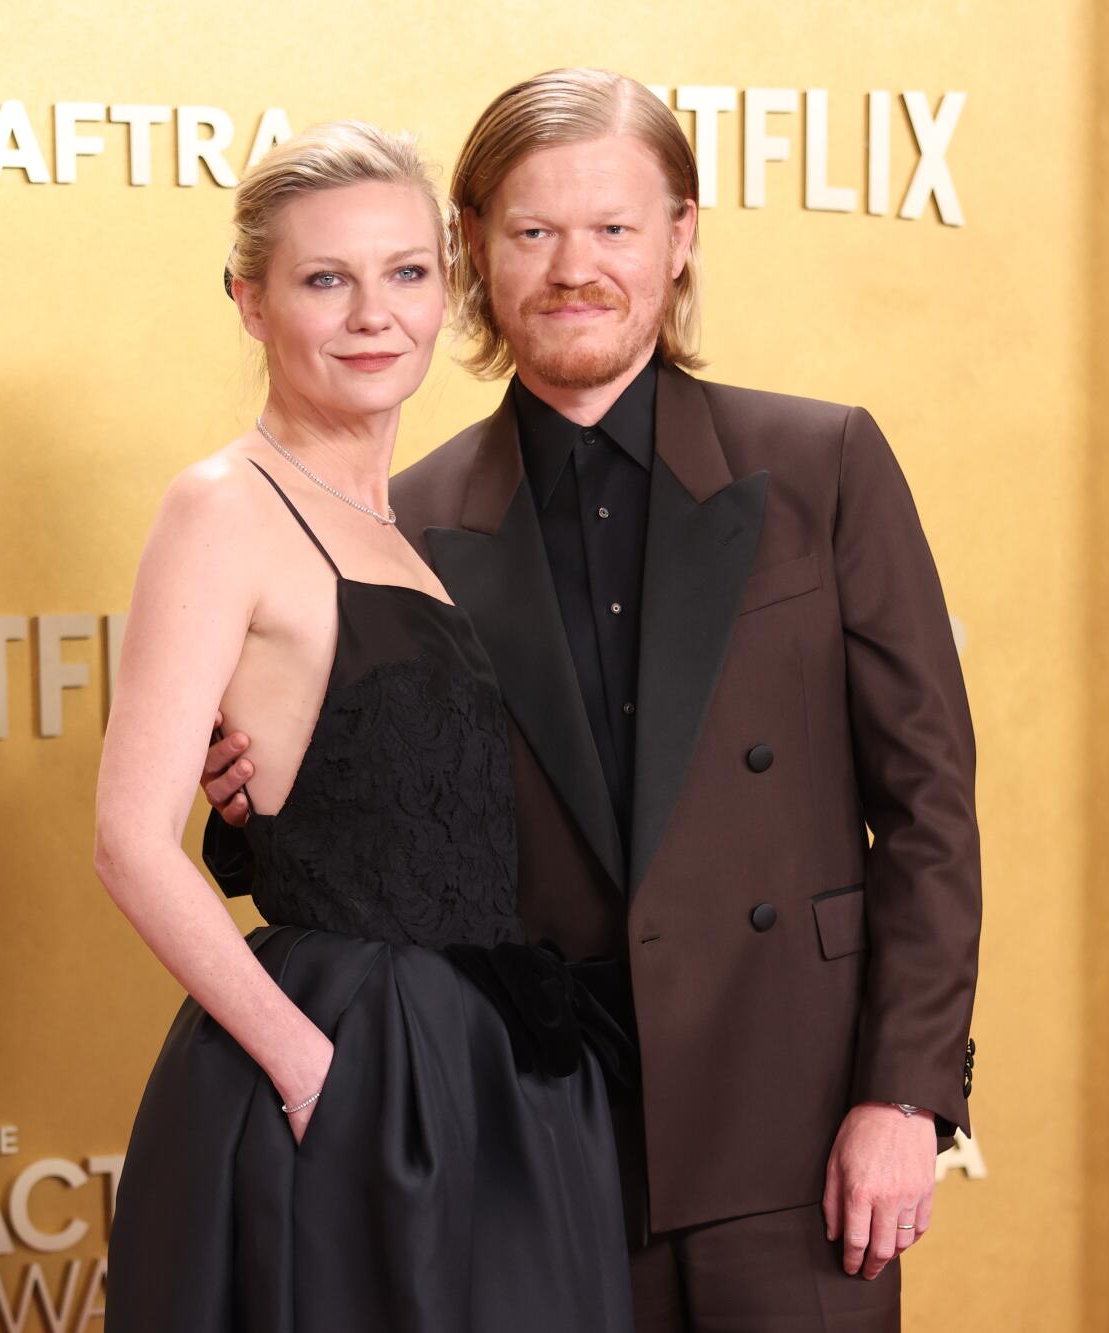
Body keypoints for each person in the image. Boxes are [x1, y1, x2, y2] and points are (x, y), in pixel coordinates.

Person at [200, 69, 982, 1332]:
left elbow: (931, 807)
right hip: (535, 1129)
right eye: (532, 232)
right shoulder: (404, 519)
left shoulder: (820, 464)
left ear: (677, 242)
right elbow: (378, 818)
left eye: (614, 229)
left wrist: (902, 1096)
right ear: (472, 255)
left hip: (795, 1135)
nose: (576, 268)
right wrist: (250, 790)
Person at [93, 119, 636, 1332]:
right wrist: (305, 1067)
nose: (371, 315)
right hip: (348, 1065)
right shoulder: (221, 506)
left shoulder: (412, 529)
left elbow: (366, 776)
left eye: (403, 273)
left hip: (481, 1063)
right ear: (248, 299)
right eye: (322, 280)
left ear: (445, 286)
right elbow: (129, 837)